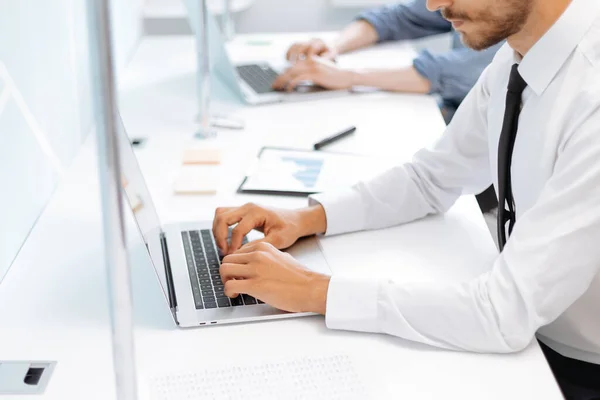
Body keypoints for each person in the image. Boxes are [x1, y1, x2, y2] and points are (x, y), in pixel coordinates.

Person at [215, 0, 600, 398]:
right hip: (533, 338)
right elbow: (430, 178)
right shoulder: (519, 55)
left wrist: (315, 290)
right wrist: (306, 218)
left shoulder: (591, 93)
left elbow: (503, 313)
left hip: (577, 369)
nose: (434, 4)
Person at [272, 0, 503, 123]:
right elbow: (398, 17)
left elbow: (451, 71)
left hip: (476, 136)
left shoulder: (518, 17)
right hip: (447, 114)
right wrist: (334, 48)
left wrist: (347, 77)